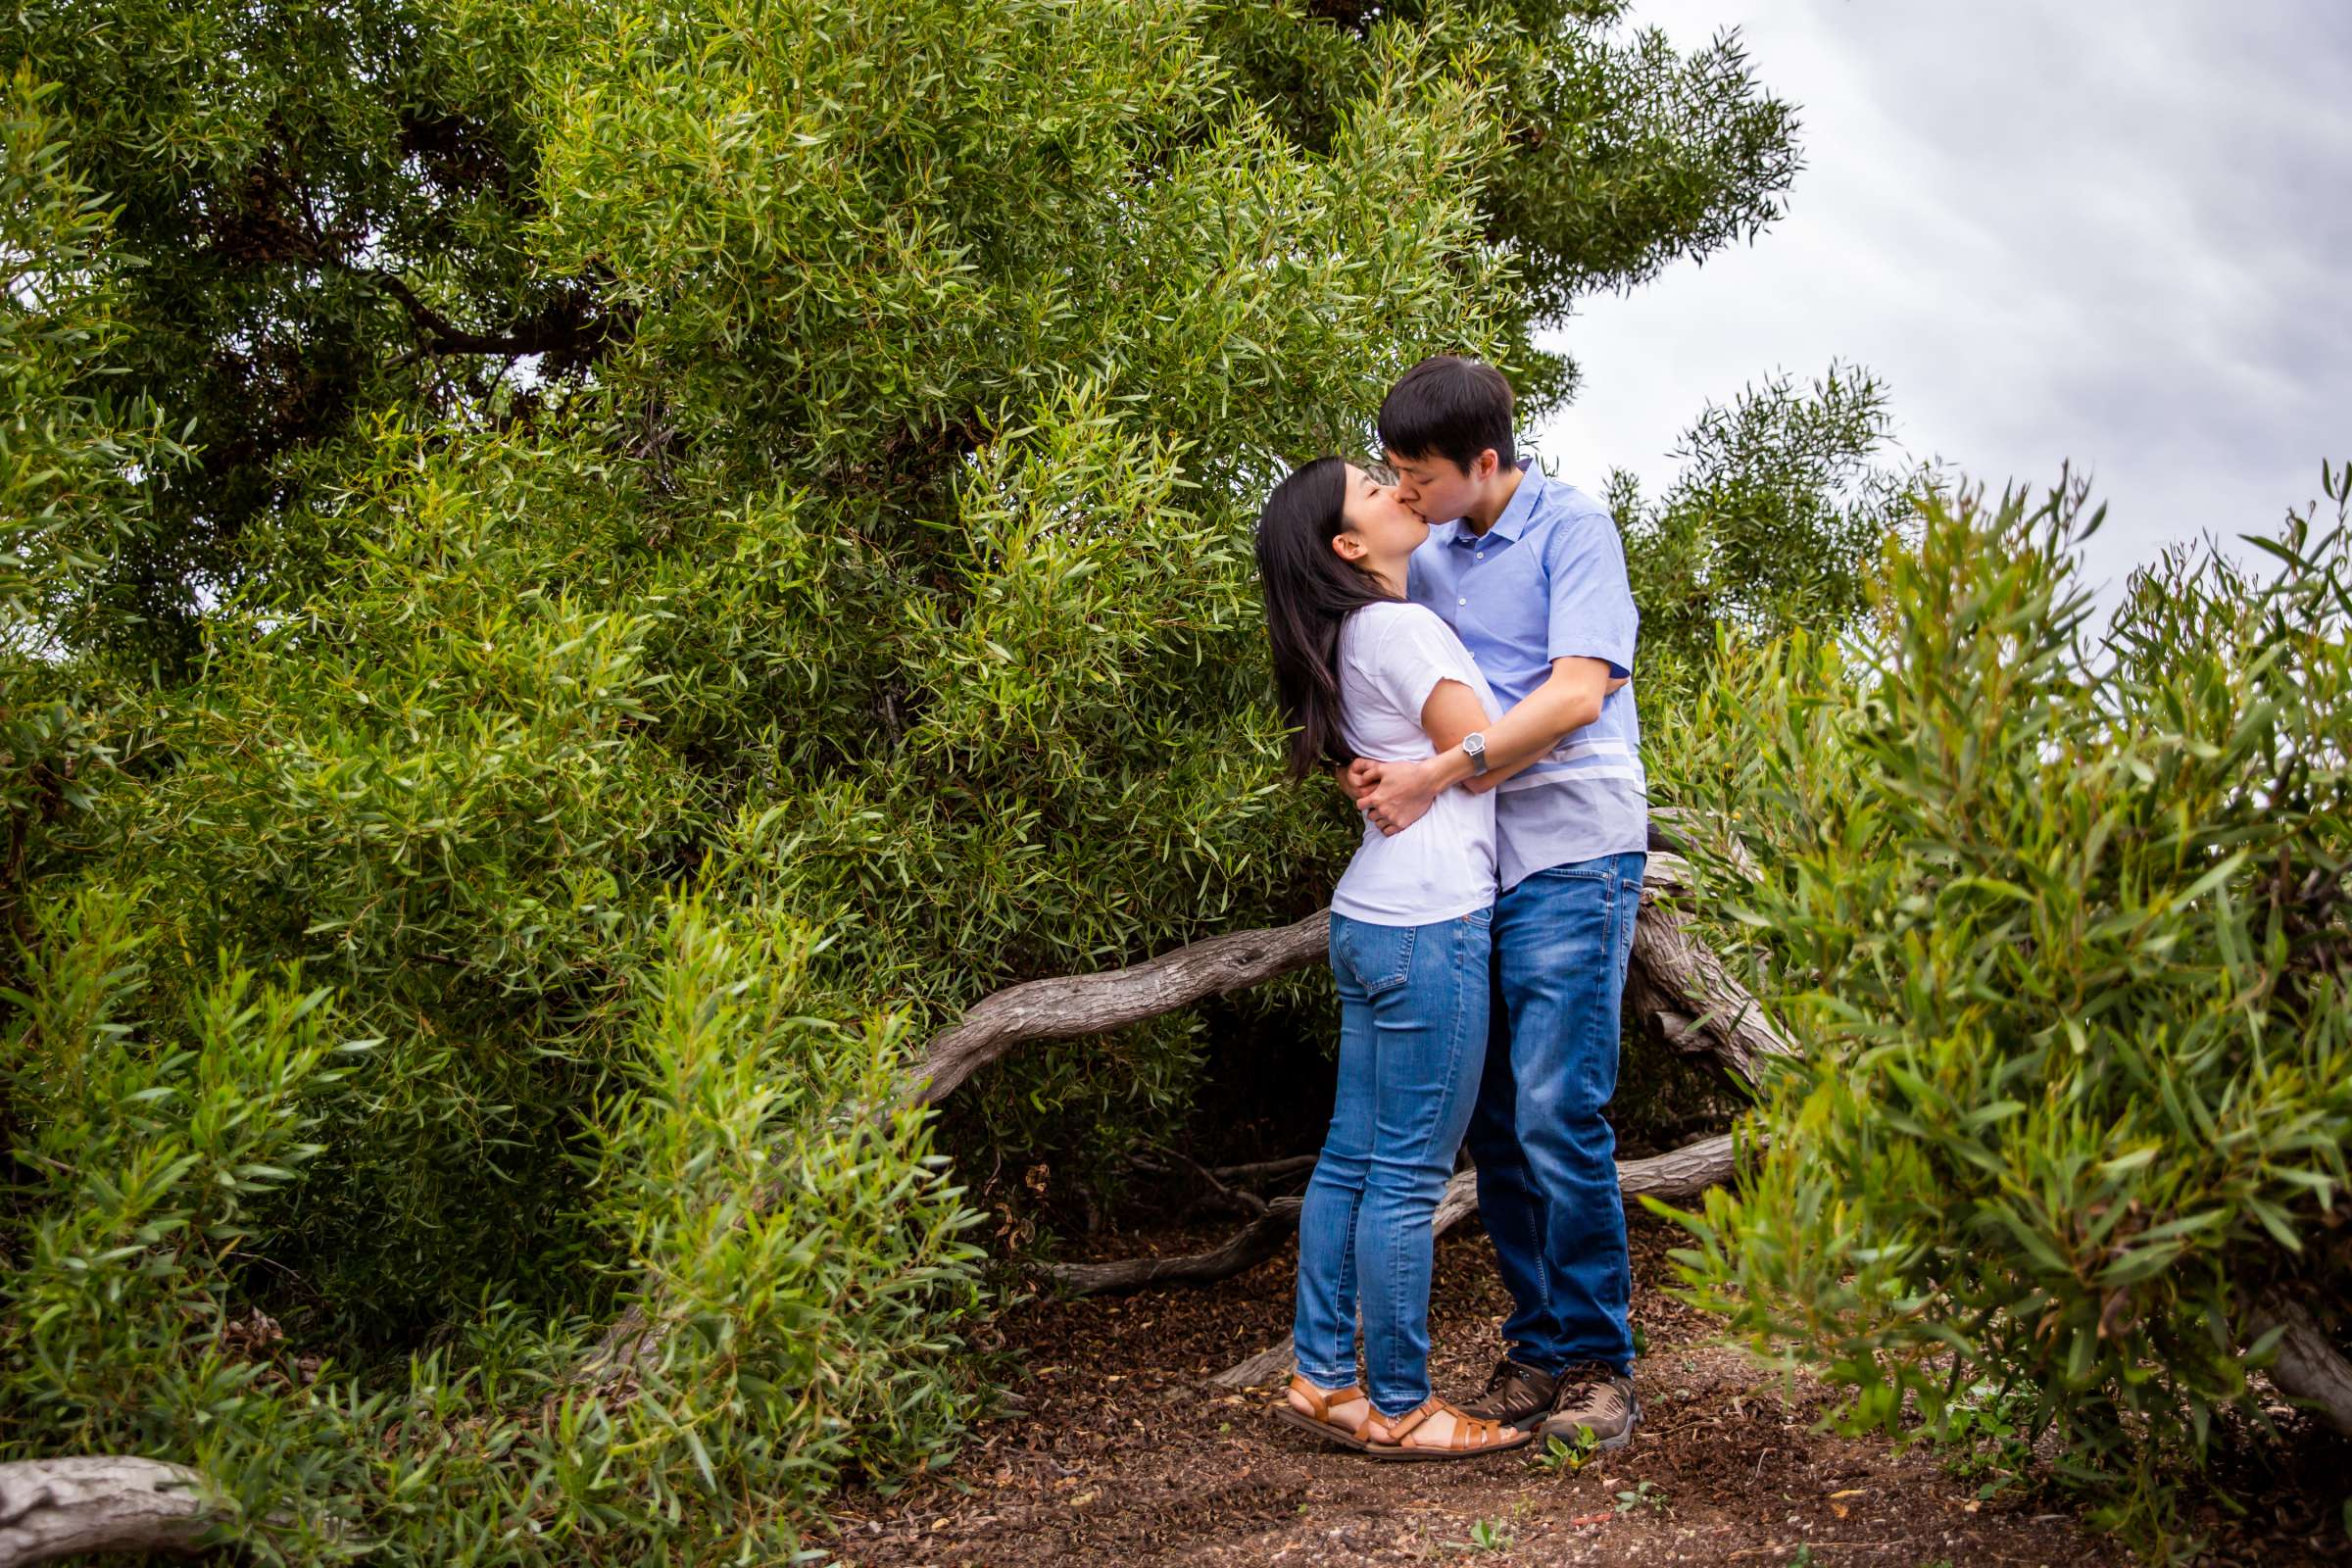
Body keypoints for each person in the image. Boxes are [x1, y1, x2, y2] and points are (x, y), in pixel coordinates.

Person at [1348, 355, 1649, 1452]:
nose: (1404, 493)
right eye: (1390, 474)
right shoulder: (1427, 554)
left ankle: (1603, 1365)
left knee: (1558, 1104)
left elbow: (1577, 694)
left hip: (1574, 844)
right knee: (1495, 1123)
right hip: (1472, 868)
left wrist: (1441, 769)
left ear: (1484, 461)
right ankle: (1542, 1343)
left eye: (1416, 474)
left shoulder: (1575, 528)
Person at [1251, 456, 1532, 1461]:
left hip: (1367, 917)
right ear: (1347, 545)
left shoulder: (1340, 636)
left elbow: (1366, 769)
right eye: (1374, 489)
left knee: (1351, 1161)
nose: (1396, 490)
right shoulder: (1401, 627)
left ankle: (1325, 1381)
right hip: (1430, 920)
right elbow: (1492, 743)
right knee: (1408, 1177)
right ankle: (1406, 1405)